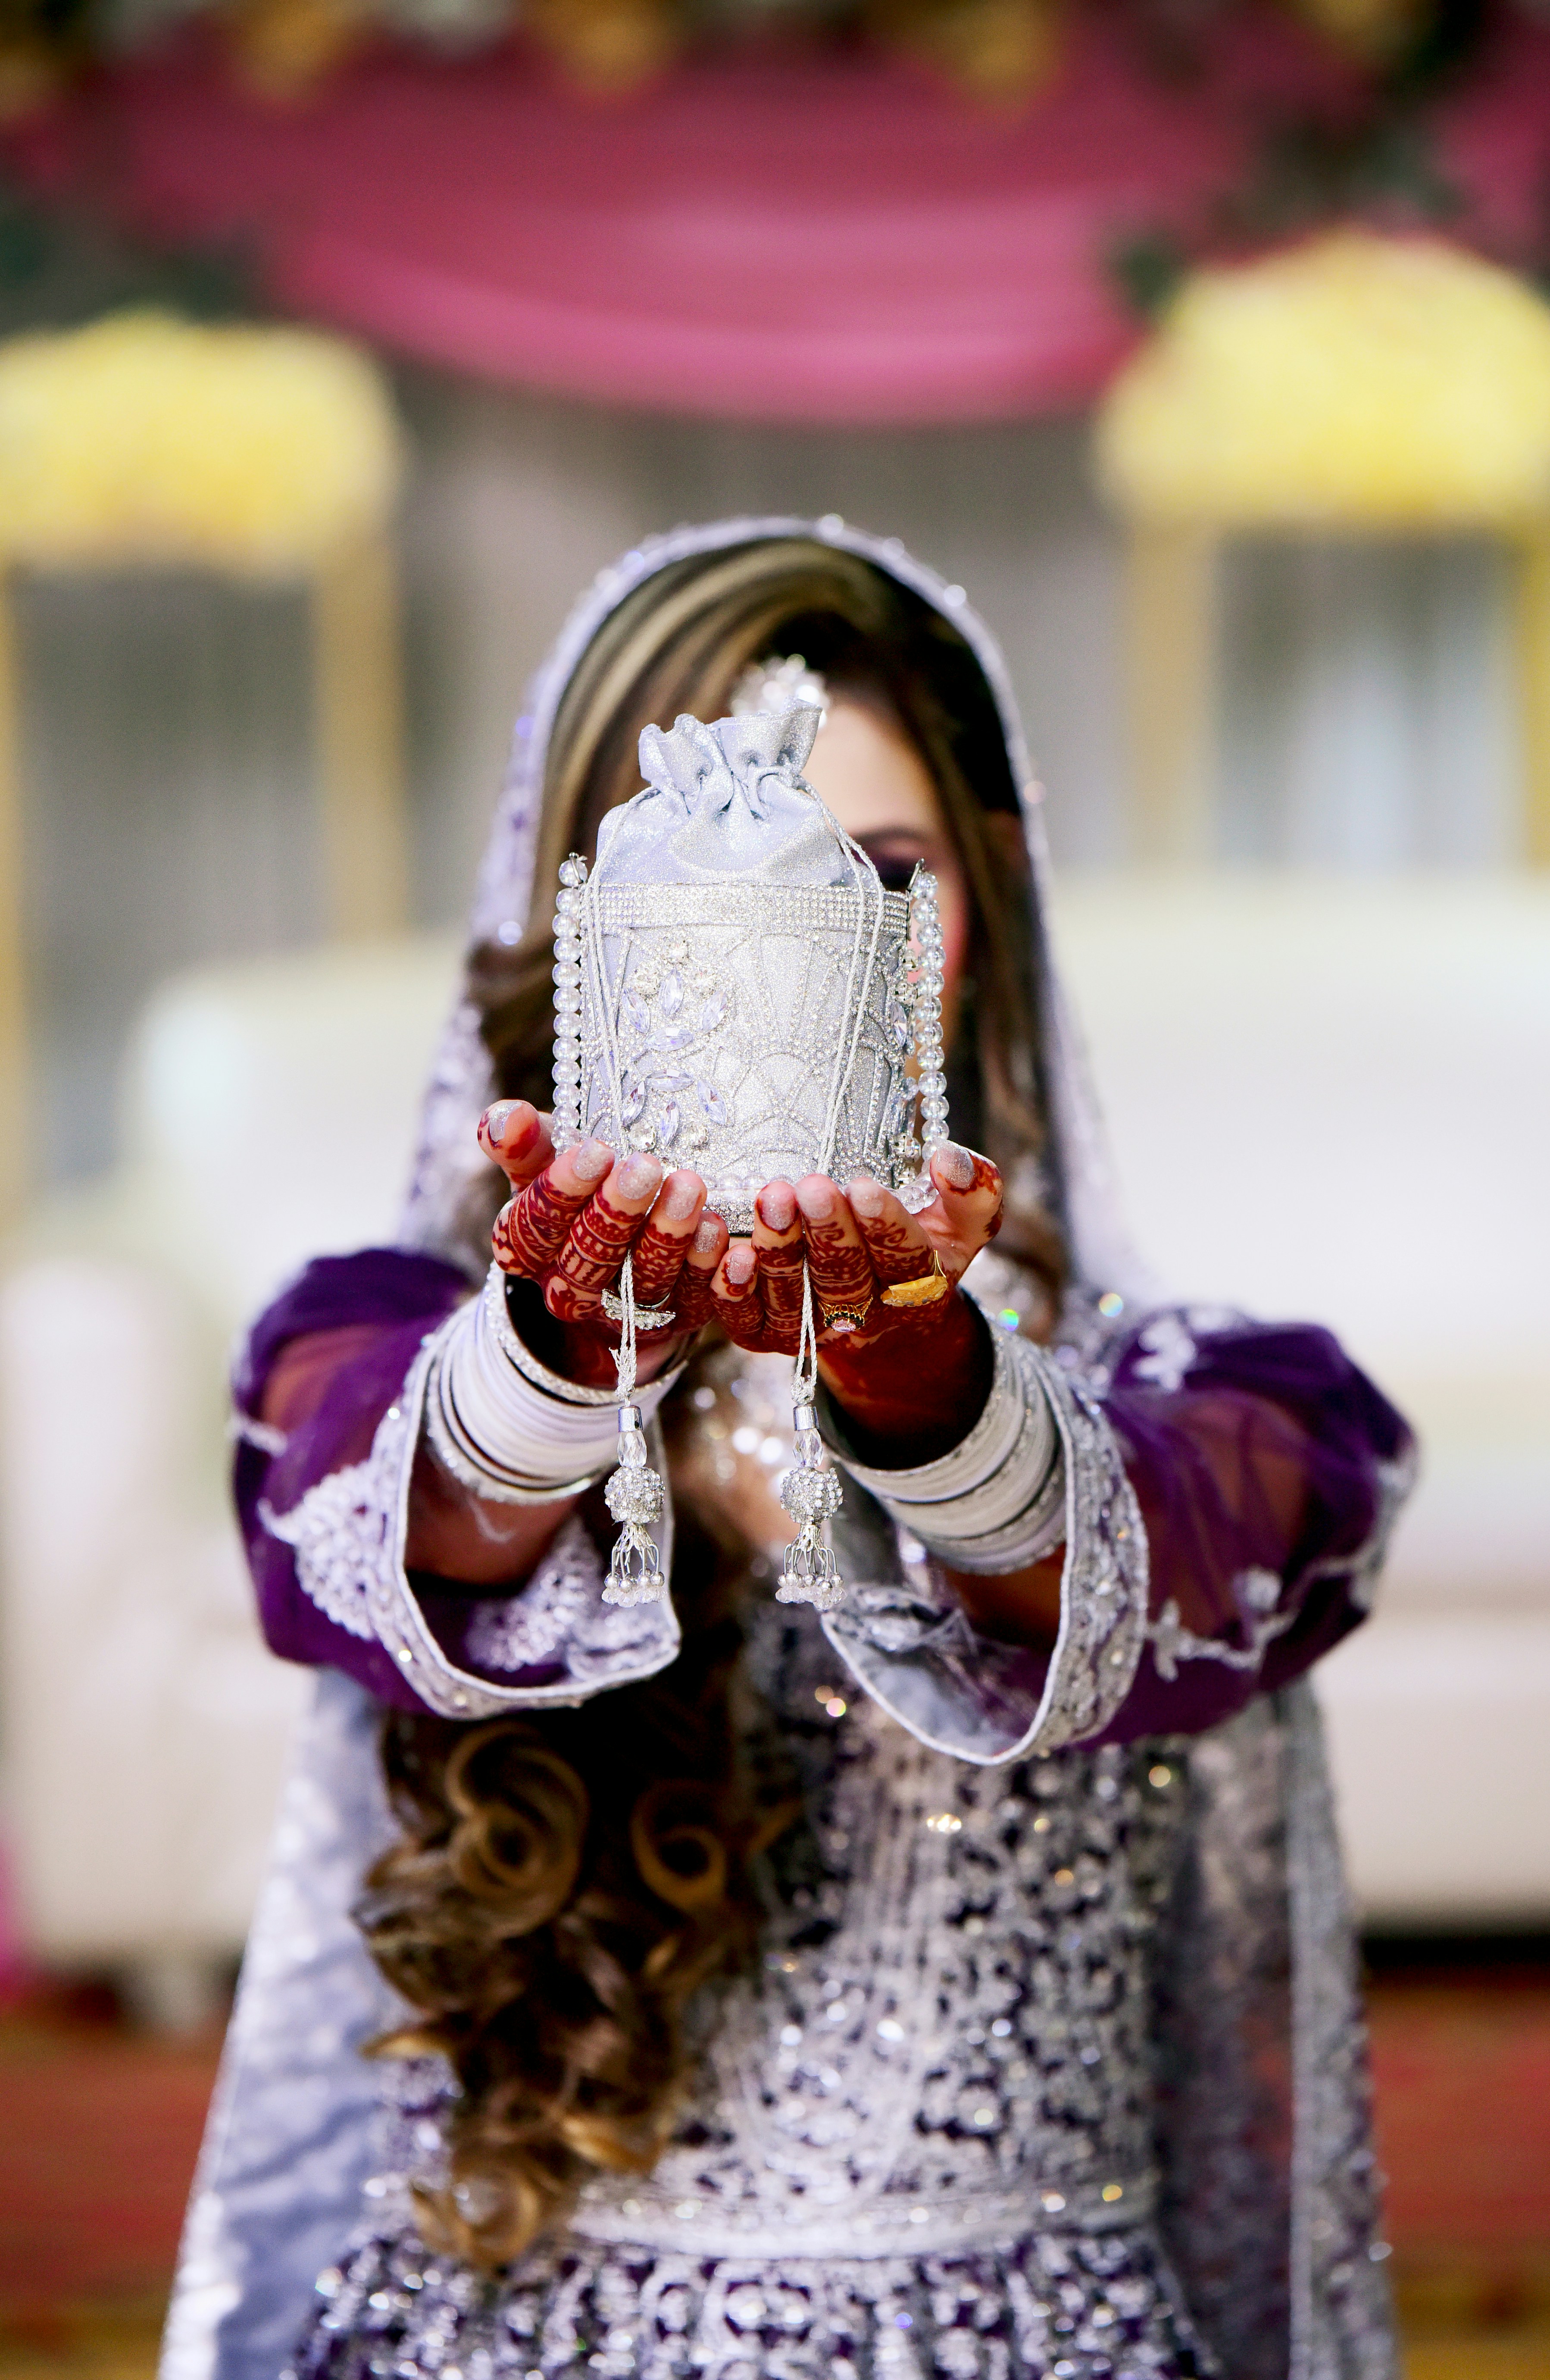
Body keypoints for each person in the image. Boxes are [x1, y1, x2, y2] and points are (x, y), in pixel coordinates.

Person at [162, 520, 1414, 2380]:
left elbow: (1141, 1555)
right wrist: (560, 1360)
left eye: (875, 880)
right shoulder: (375, 1348)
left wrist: (933, 1397)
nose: (796, 982)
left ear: (980, 904)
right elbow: (387, 1520)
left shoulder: (1217, 1404)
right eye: (714, 915)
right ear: (584, 936)